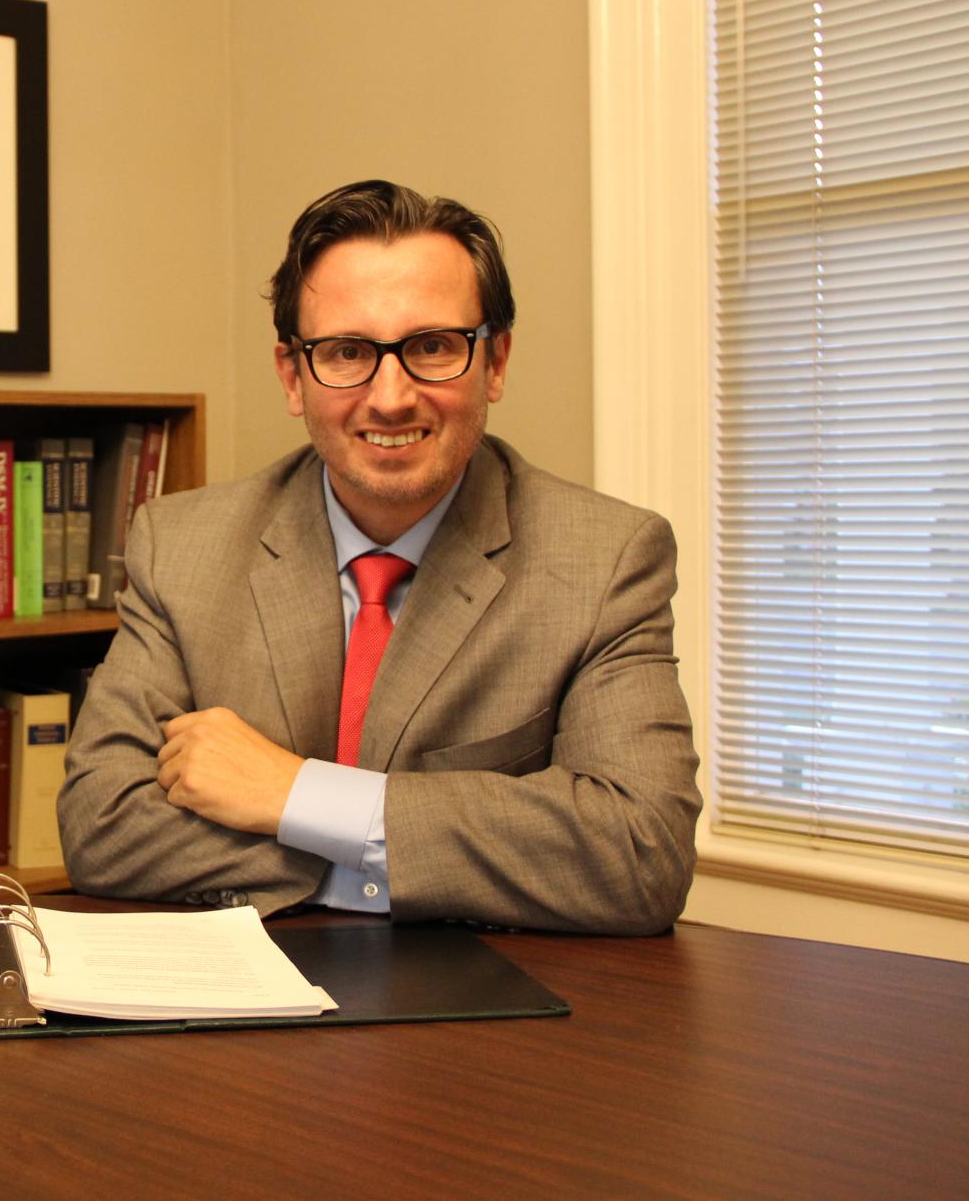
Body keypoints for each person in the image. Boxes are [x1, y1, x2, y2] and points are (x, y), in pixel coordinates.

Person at [58, 180, 699, 934]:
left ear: (494, 362)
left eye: (432, 346)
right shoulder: (184, 545)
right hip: (251, 1017)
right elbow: (102, 824)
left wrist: (295, 795)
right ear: (293, 377)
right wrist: (383, 851)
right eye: (347, 352)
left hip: (488, 1020)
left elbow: (639, 850)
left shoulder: (605, 560)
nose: (390, 396)